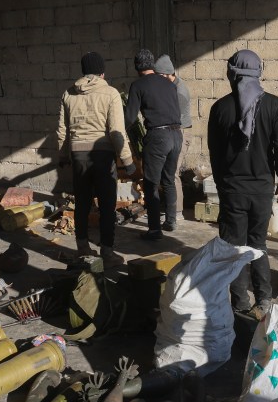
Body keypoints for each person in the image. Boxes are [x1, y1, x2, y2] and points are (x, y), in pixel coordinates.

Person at [208, 49, 278, 318]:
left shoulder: (219, 108)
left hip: (233, 190)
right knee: (258, 245)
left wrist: (223, 186)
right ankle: (264, 299)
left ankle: (240, 302)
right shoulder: (274, 105)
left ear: (232, 73)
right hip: (262, 189)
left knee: (234, 248)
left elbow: (215, 154)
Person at [57, 52, 136, 267]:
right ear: (102, 72)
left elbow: (62, 130)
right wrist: (127, 160)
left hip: (78, 156)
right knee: (107, 205)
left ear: (83, 72)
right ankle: (108, 252)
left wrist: (63, 155)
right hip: (102, 156)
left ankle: (82, 248)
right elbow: (117, 131)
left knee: (82, 203)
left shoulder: (69, 93)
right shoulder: (110, 93)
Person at [124, 49, 182, 240]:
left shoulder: (138, 85)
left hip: (158, 137)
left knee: (151, 184)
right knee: (169, 179)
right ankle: (171, 221)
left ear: (136, 67)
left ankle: (155, 230)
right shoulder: (169, 84)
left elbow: (130, 118)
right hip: (176, 135)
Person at [153, 54, 192, 222]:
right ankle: (171, 209)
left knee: (173, 172)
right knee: (168, 172)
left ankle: (177, 212)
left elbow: (174, 116)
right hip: (174, 131)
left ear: (168, 74)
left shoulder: (179, 92)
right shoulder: (171, 86)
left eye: (160, 76)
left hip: (180, 132)